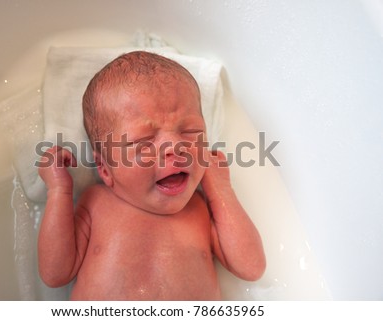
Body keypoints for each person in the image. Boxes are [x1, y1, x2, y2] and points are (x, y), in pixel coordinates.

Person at [37, 51, 265, 300]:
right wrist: (59, 191)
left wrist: (220, 189)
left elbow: (251, 267)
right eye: (144, 142)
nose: (175, 147)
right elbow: (55, 273)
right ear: (105, 169)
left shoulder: (199, 209)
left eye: (191, 131)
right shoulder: (96, 204)